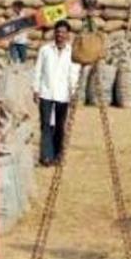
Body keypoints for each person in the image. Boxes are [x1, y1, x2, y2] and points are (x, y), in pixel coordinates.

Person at [33, 19, 80, 166]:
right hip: (46, 92)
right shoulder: (45, 50)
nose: (60, 35)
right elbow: (38, 70)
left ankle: (58, 155)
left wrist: (73, 92)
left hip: (63, 94)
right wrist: (36, 89)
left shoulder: (72, 52)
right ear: (54, 33)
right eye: (58, 32)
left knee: (60, 125)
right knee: (46, 124)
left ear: (68, 35)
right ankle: (46, 156)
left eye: (63, 32)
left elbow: (74, 73)